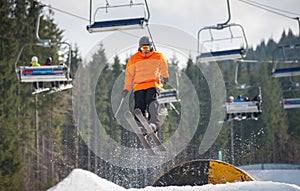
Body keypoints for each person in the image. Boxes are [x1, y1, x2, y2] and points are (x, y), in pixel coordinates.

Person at [122, 36, 169, 135]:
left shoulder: (158, 56)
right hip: (139, 86)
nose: (145, 51)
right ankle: (140, 125)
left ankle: (154, 124)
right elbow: (129, 75)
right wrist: (126, 88)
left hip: (153, 84)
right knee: (139, 105)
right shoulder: (134, 59)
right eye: (143, 48)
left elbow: (163, 67)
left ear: (151, 47)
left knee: (152, 102)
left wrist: (165, 77)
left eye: (147, 48)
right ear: (139, 48)